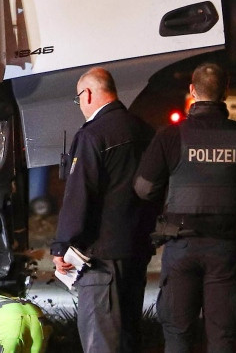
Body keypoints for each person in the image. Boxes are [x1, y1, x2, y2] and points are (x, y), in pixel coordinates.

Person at [134, 61, 236, 353]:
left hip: (181, 249)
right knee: (222, 337)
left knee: (177, 335)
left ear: (192, 90)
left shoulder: (171, 136)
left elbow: (144, 188)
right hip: (224, 250)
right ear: (225, 92)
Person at [50, 66, 157, 352]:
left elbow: (79, 194)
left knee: (101, 340)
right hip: (136, 251)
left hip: (100, 258)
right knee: (129, 337)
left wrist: (63, 245)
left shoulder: (93, 136)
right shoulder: (145, 130)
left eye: (78, 99)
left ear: (87, 94)